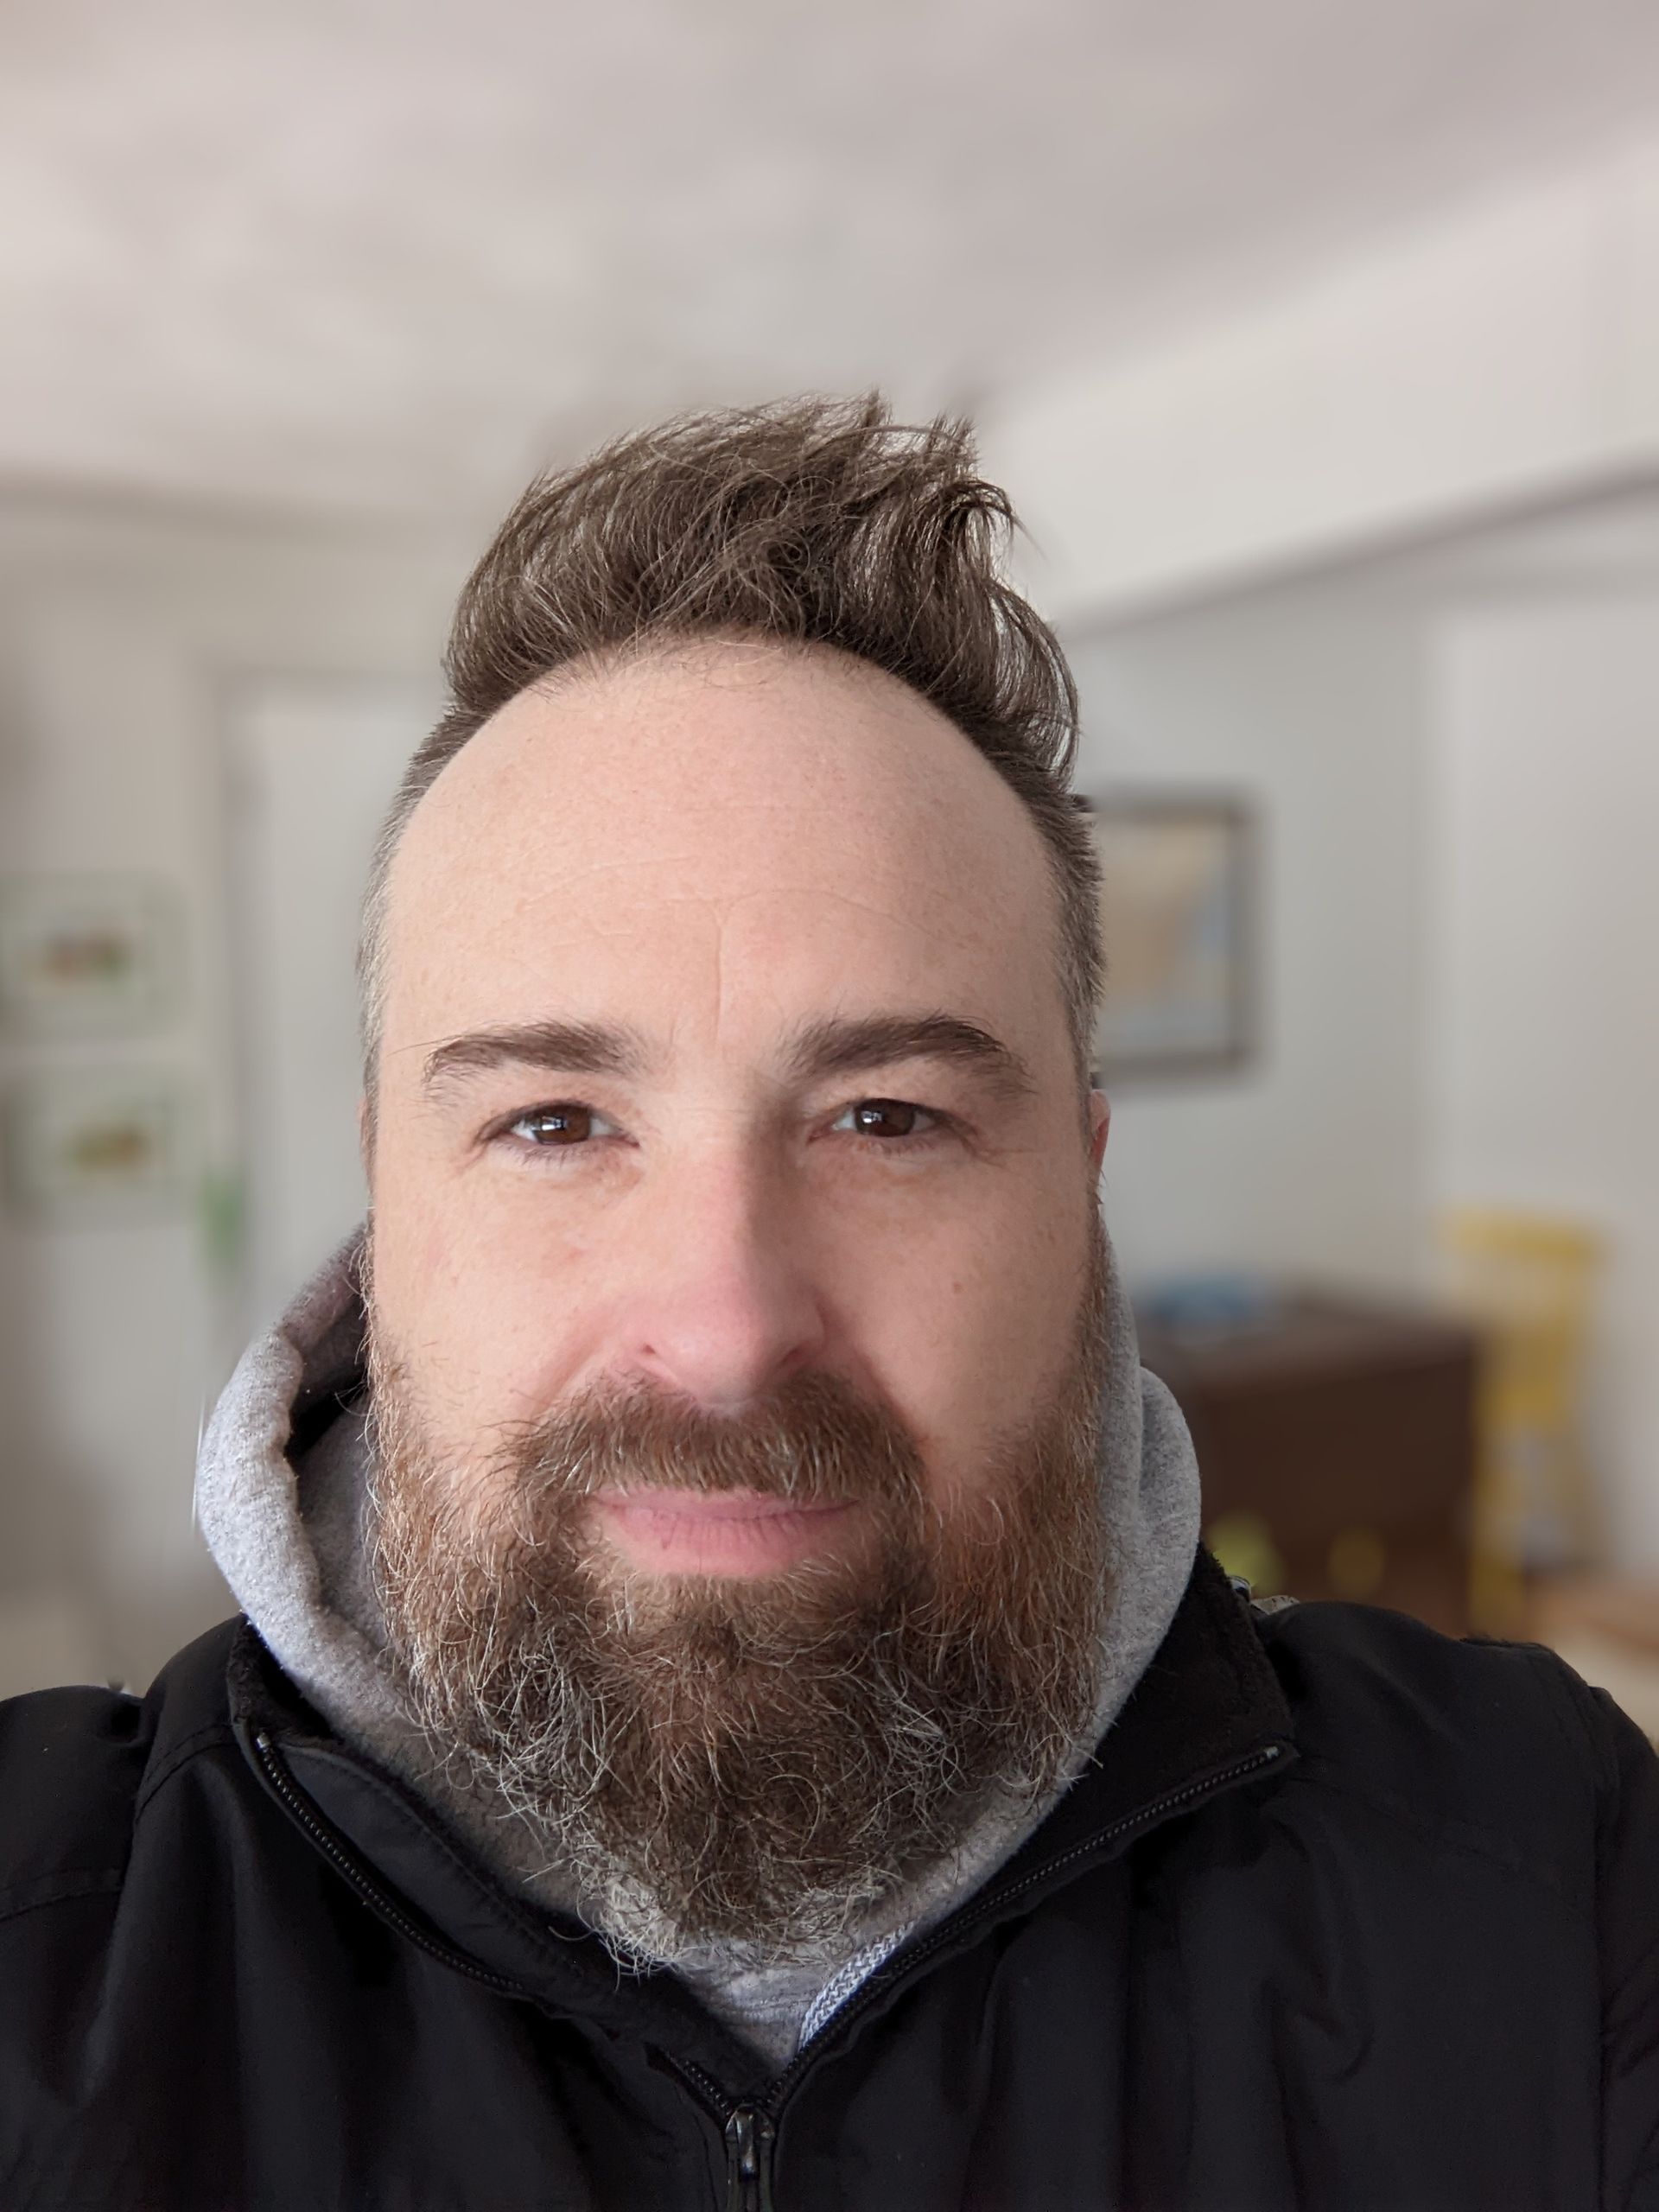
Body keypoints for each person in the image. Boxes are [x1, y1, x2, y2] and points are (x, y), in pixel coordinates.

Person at [1, 397, 1655, 2212]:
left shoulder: (1545, 1865)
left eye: (889, 1117)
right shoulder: (38, 1934)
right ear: (386, 1193)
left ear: (1078, 1182)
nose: (724, 1327)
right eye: (553, 1120)